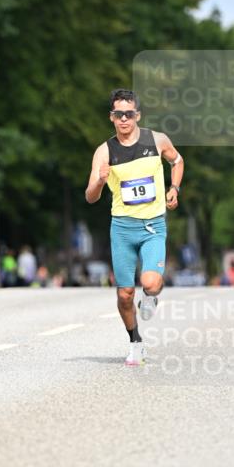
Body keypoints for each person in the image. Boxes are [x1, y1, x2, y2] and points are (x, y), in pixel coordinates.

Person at [85, 89, 183, 367]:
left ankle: (150, 297)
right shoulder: (104, 152)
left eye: (129, 114)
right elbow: (90, 197)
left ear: (137, 115)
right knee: (124, 294)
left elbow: (177, 161)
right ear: (112, 117)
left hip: (153, 225)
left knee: (150, 283)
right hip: (122, 229)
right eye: (119, 115)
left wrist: (174, 187)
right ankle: (135, 342)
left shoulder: (157, 140)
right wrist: (100, 182)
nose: (124, 119)